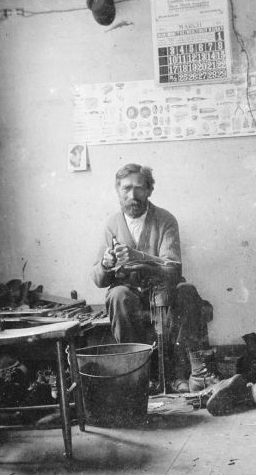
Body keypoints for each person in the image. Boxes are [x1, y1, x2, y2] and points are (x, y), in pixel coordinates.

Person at [90, 163, 218, 393]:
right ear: (117, 191)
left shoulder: (166, 219)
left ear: (149, 190)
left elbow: (173, 268)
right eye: (126, 189)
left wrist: (137, 255)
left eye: (139, 188)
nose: (133, 195)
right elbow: (98, 279)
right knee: (118, 295)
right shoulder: (111, 224)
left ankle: (180, 374)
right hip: (130, 294)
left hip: (163, 290)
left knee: (187, 291)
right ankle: (138, 376)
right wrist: (106, 264)